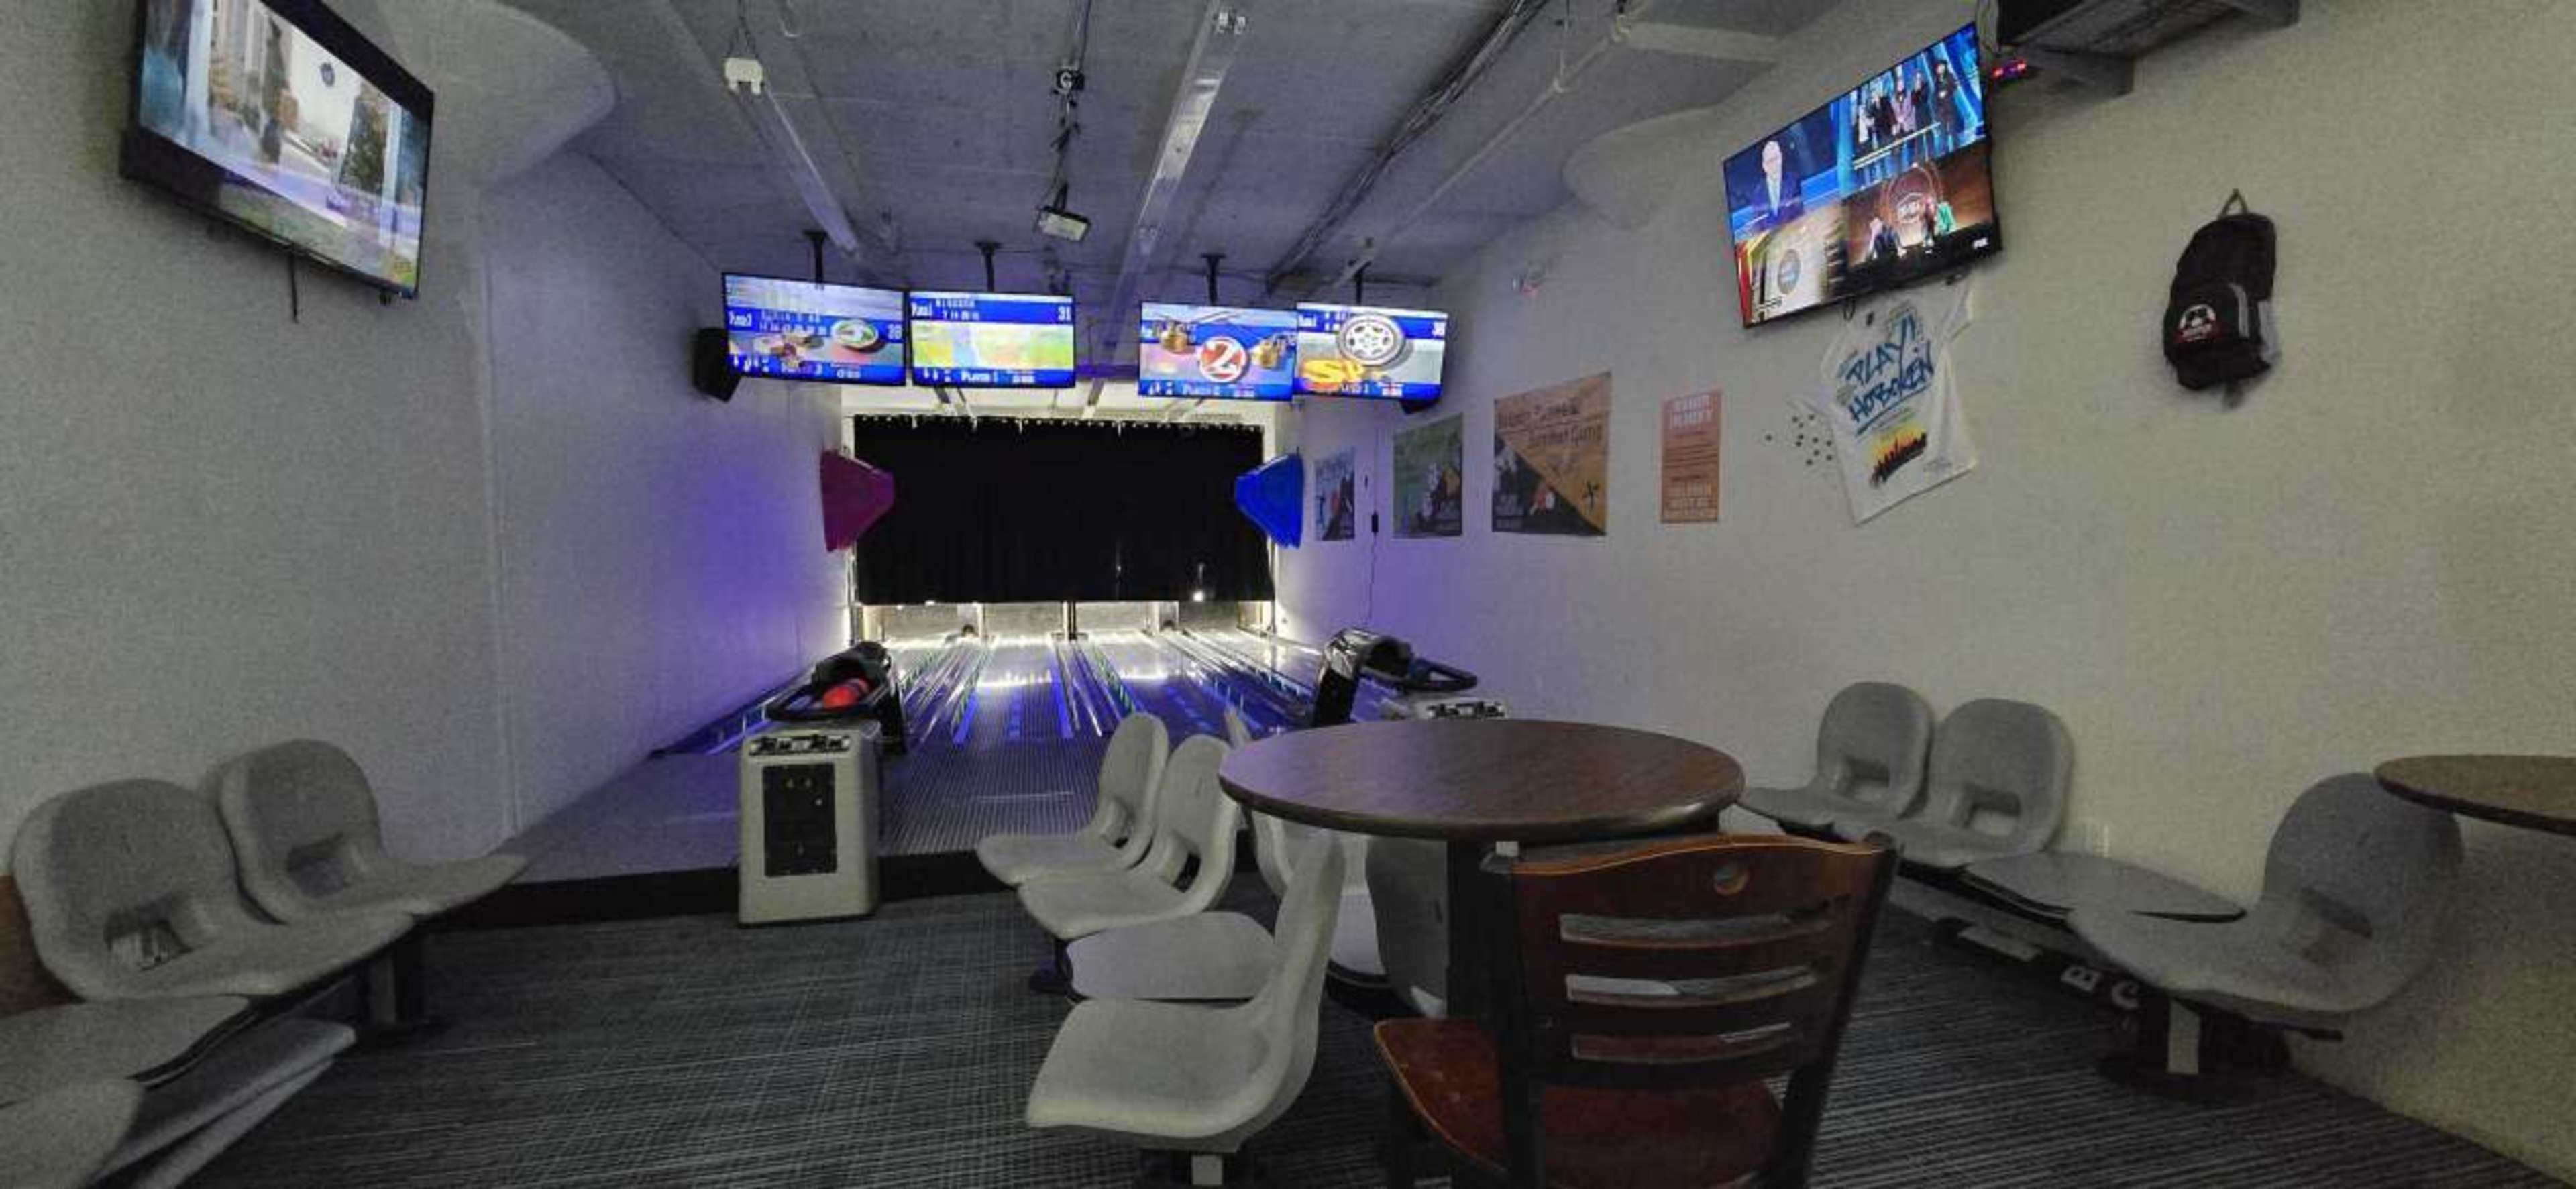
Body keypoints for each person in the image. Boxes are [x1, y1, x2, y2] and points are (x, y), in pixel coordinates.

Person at [1755, 138, 1803, 229]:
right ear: (1764, 166)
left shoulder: (1794, 180)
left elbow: (1800, 213)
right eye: (1770, 161)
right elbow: (1758, 228)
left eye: (1777, 158)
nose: (1775, 165)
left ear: (1781, 158)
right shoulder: (1758, 194)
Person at [1931, 59, 1962, 157]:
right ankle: (1946, 154)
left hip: (1950, 108)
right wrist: (1936, 111)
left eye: (1942, 66)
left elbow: (1955, 86)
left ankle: (1958, 151)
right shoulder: (1936, 81)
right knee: (1943, 134)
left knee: (1953, 131)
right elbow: (1935, 96)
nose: (1941, 68)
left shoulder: (1950, 76)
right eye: (1939, 67)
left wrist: (1946, 91)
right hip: (1941, 111)